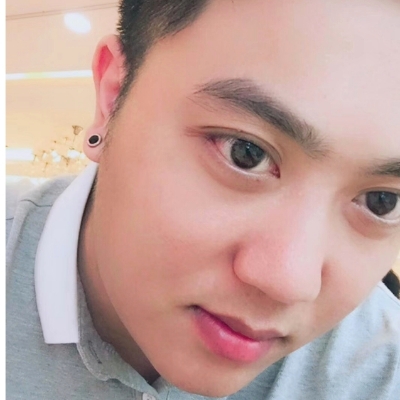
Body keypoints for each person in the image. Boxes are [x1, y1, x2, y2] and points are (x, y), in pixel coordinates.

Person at [6, 1, 400, 399]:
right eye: (245, 153)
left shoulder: (379, 368)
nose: (290, 283)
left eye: (382, 201)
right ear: (113, 96)